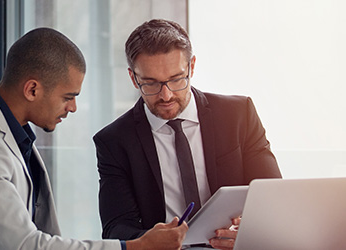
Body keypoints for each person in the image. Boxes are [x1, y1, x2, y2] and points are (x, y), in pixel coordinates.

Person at [0, 27, 187, 250]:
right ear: (32, 89)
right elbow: (25, 245)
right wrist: (134, 246)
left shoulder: (10, 134)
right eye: (68, 97)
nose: (72, 108)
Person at [93, 19, 282, 250]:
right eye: (151, 84)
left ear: (191, 67)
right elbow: (116, 227)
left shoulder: (238, 115)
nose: (166, 95)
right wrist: (150, 240)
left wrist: (250, 230)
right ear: (134, 78)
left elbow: (274, 198)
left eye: (176, 79)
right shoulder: (114, 141)